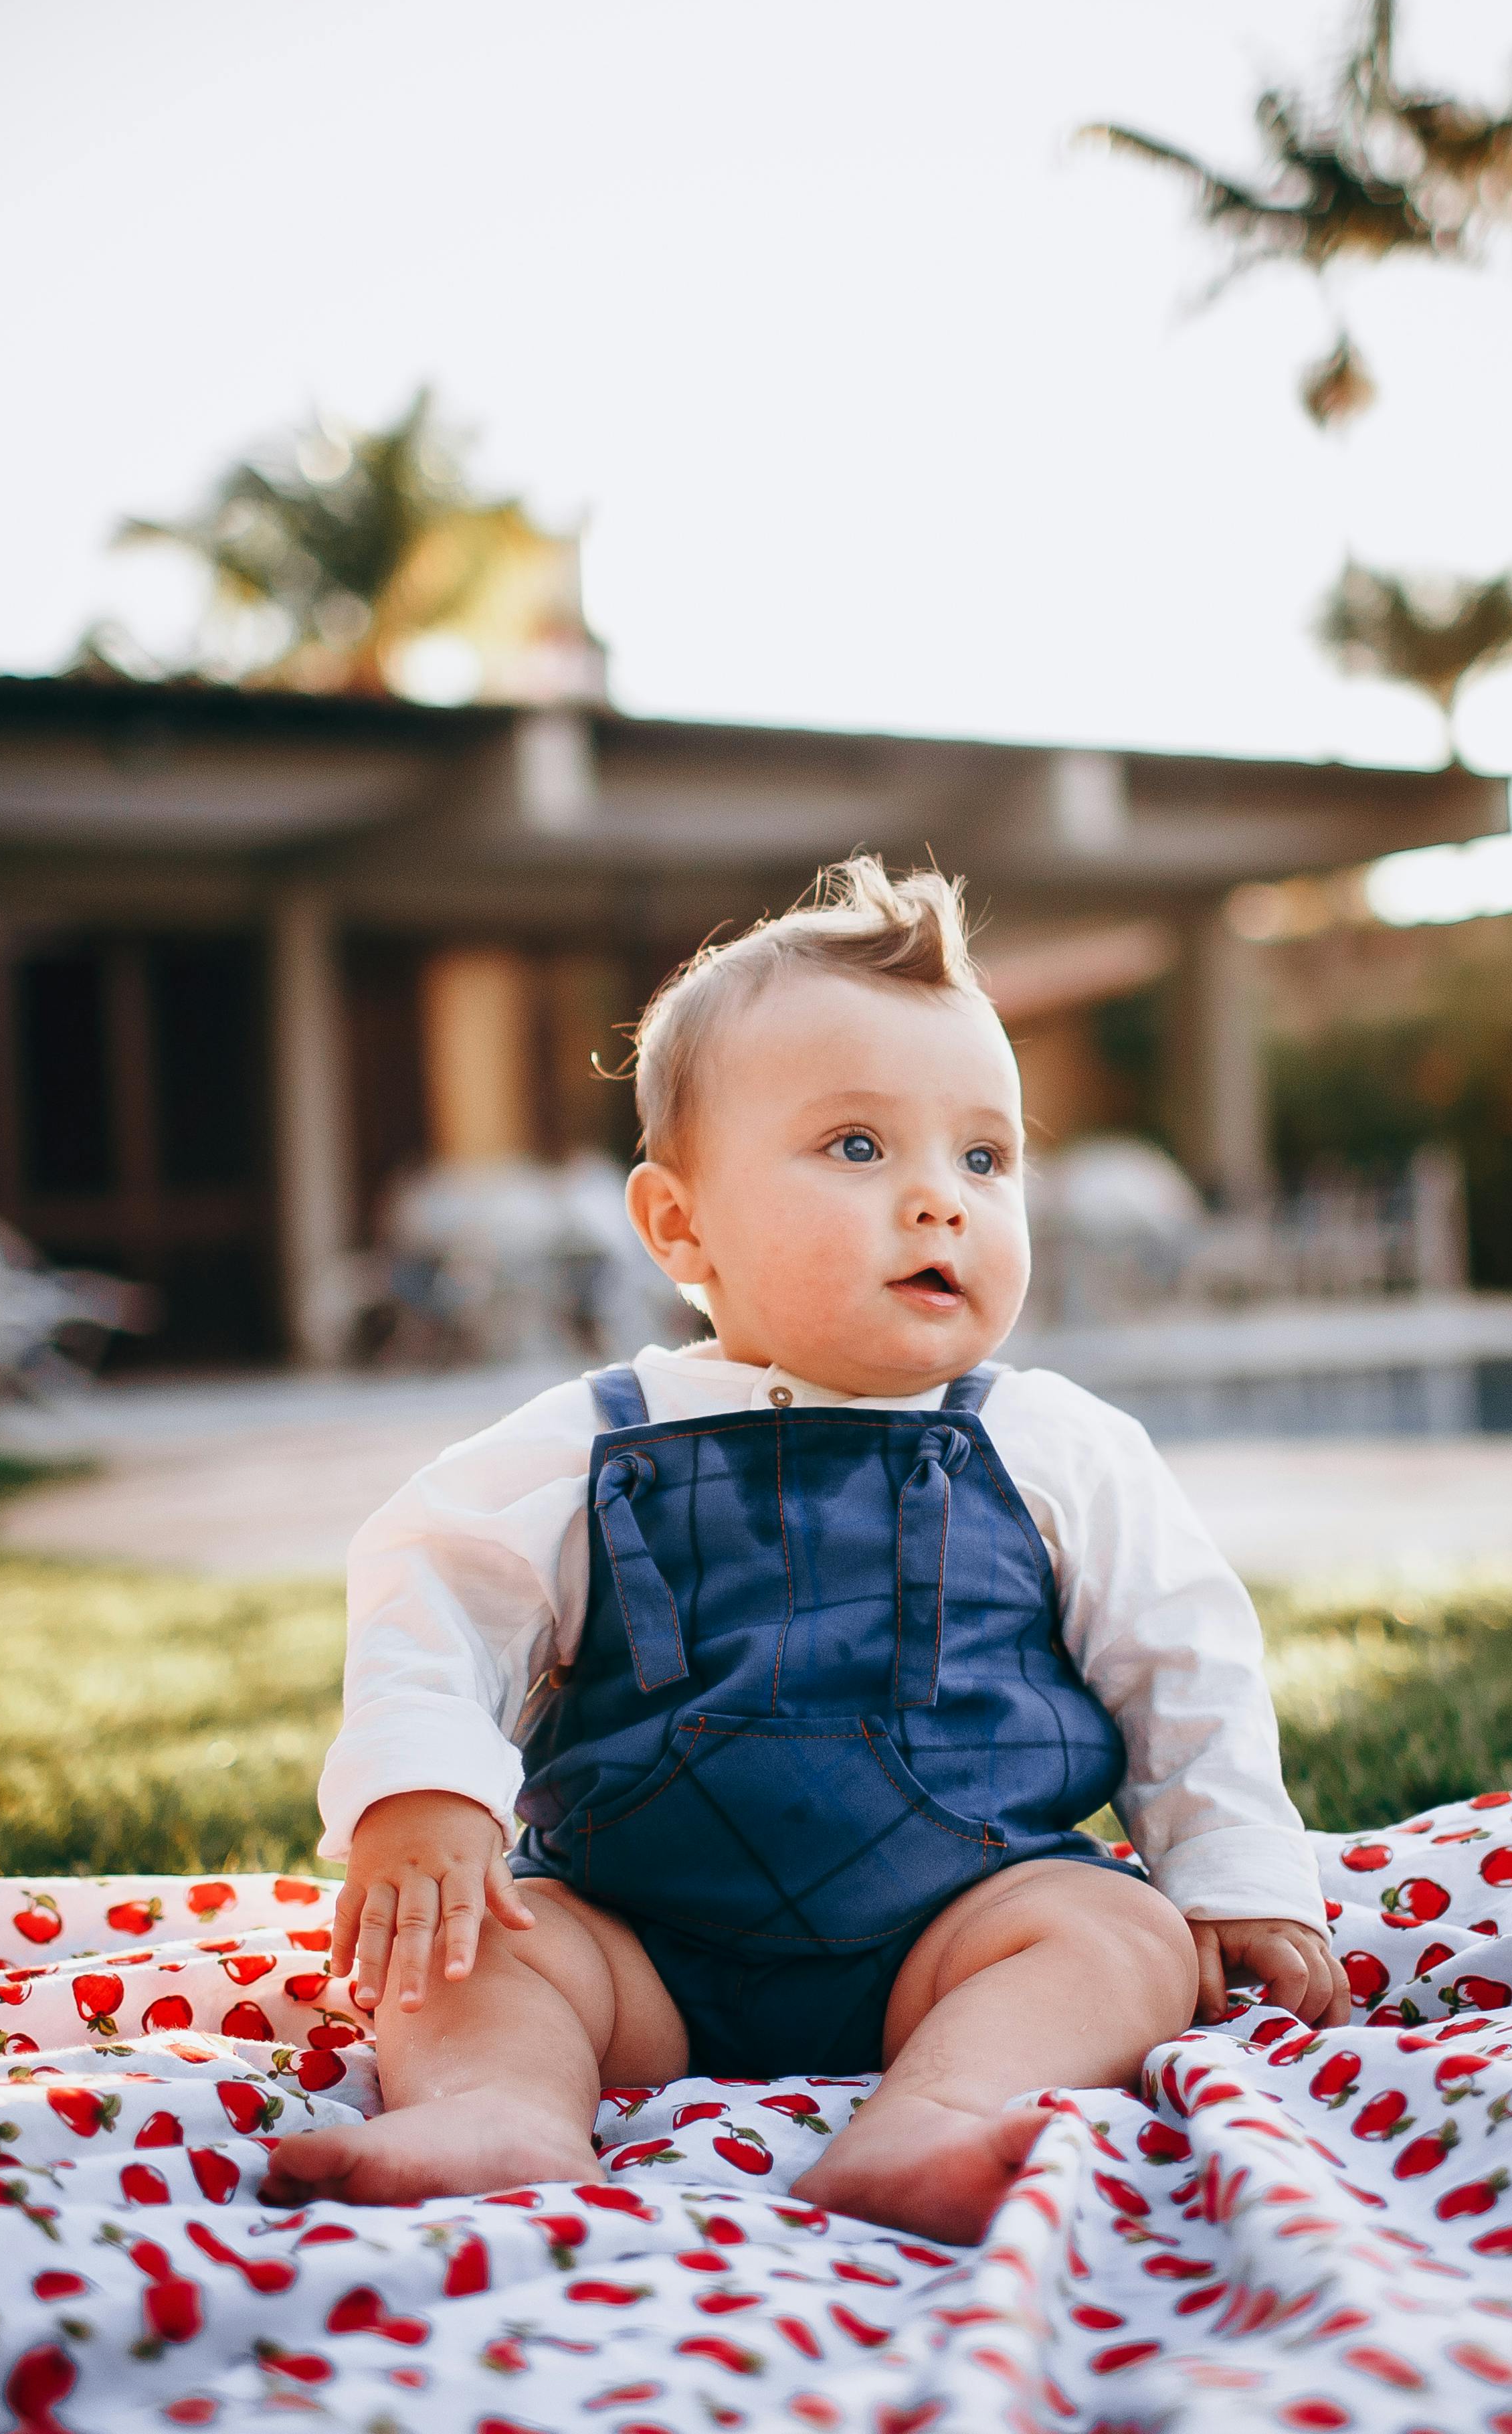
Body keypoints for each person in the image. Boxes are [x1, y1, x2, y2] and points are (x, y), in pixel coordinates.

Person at [264, 859, 1337, 2241]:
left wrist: (1239, 1880)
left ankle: (940, 2116)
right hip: (637, 1948)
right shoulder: (591, 1439)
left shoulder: (1055, 1442)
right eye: (856, 1147)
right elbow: (433, 1588)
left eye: (984, 1155)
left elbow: (1184, 1666)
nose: (942, 1200)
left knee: (1120, 1937)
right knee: (468, 1948)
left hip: (958, 1937)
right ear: (678, 1225)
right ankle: (500, 2113)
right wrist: (421, 1794)